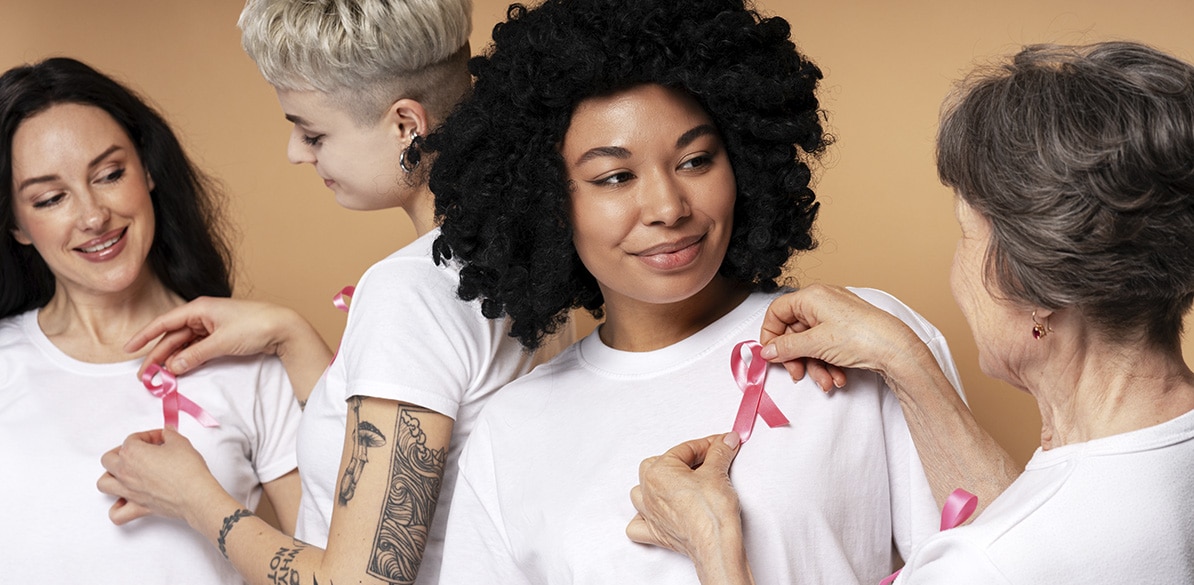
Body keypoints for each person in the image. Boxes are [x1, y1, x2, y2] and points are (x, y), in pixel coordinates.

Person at [425, 0, 966, 582]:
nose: (668, 207)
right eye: (615, 177)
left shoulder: (859, 341)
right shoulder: (514, 430)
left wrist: (905, 359)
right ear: (544, 201)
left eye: (696, 160)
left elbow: (1005, 556)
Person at [628, 41, 1194, 584]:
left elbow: (1018, 556)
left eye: (965, 236)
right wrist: (905, 362)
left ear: (1036, 281)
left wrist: (712, 543)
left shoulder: (987, 564)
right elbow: (1049, 543)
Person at [96, 1, 570, 584]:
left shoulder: (408, 291)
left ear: (405, 125)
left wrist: (197, 499)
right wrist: (290, 336)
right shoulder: (518, 260)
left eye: (312, 131)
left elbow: (359, 581)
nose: (296, 152)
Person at [0, 57, 303, 584]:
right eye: (50, 198)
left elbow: (334, 568)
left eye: (111, 174)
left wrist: (197, 501)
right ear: (17, 225)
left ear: (149, 170)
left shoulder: (251, 363)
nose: (93, 215)